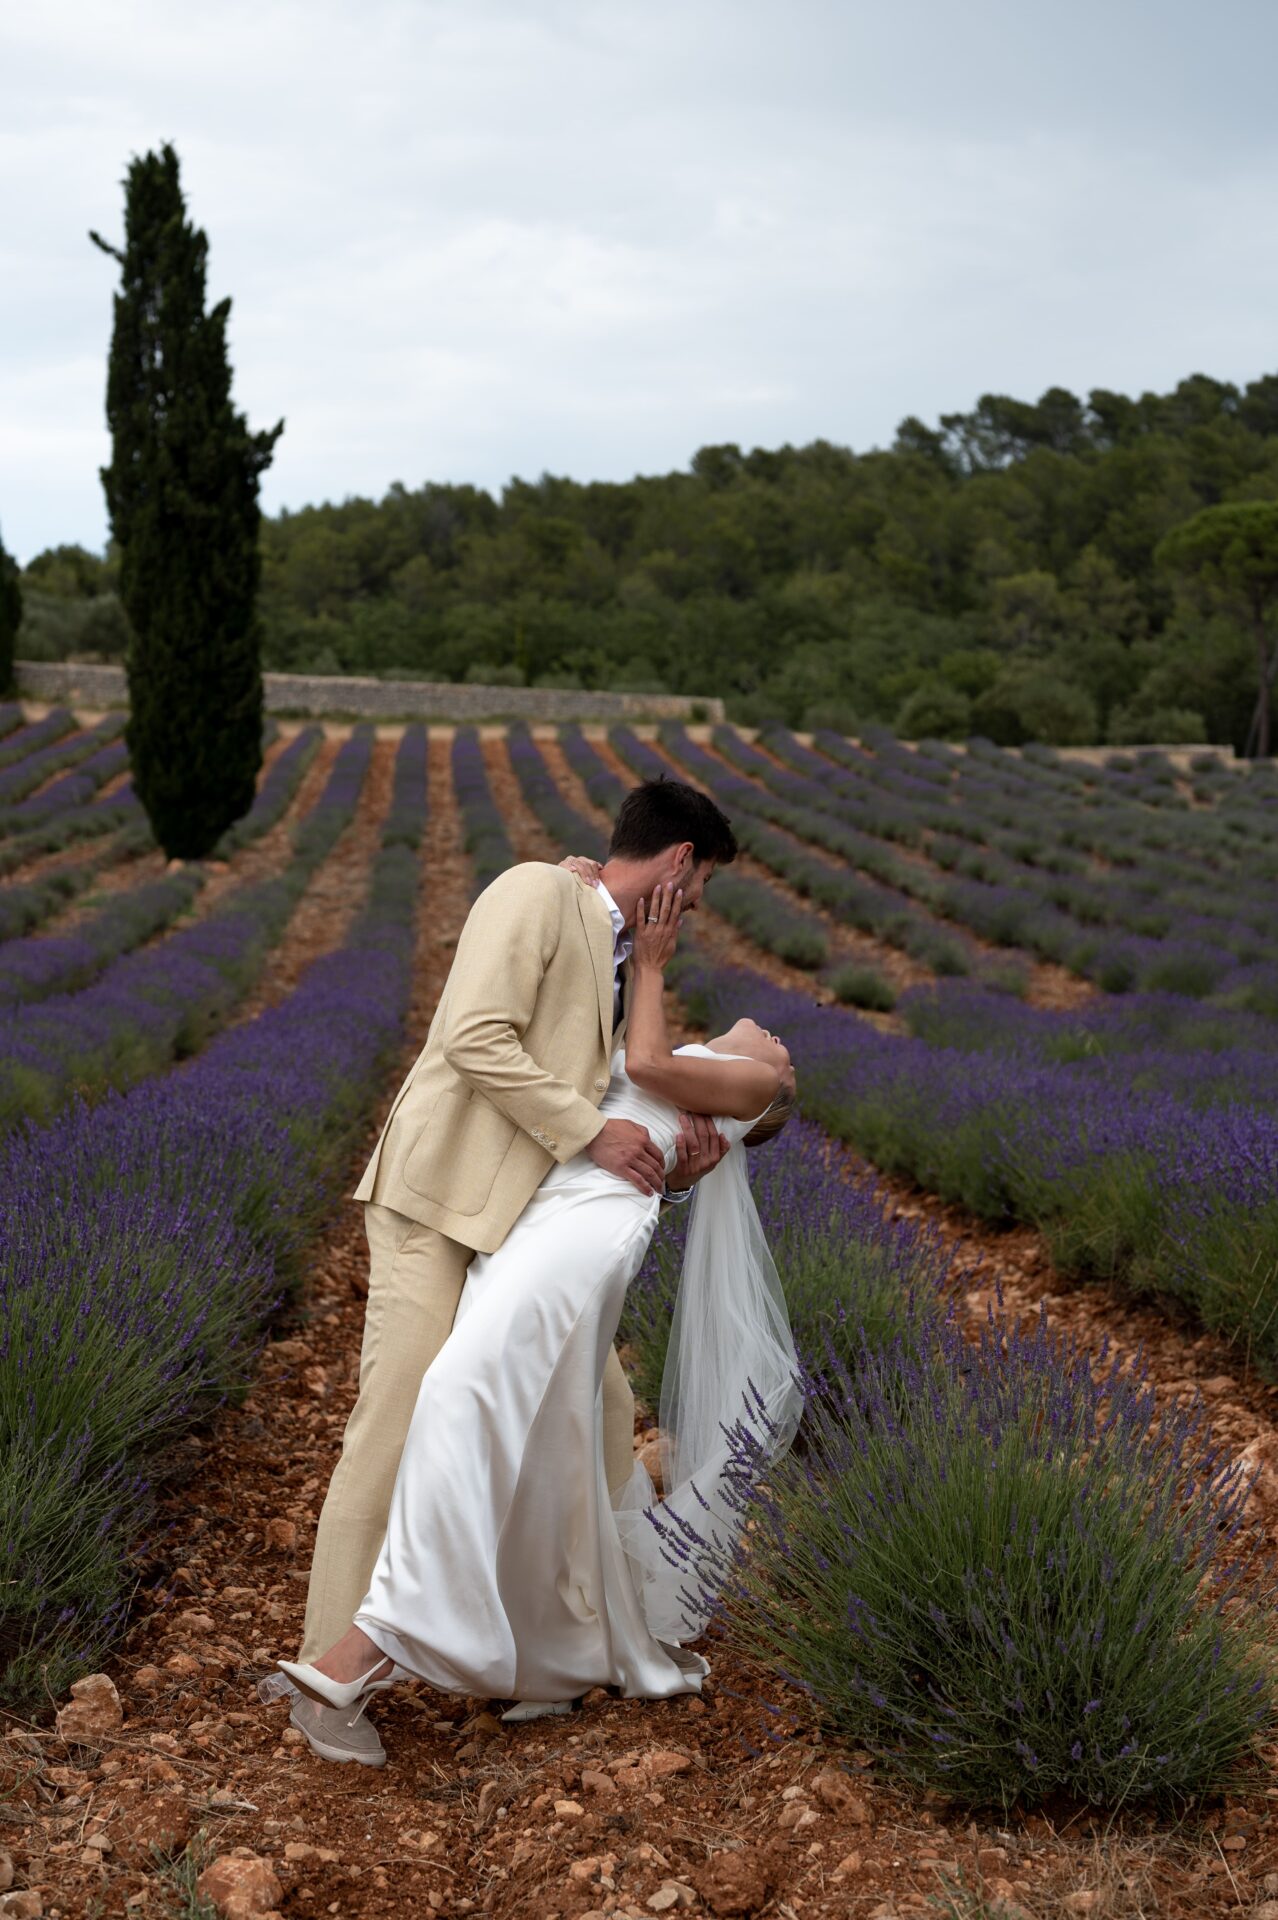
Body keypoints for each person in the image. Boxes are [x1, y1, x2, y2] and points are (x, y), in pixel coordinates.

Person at [278, 877, 801, 1741]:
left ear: (772, 1094)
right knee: (488, 1415)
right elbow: (548, 1068)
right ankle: (462, 1659)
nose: (779, 1036)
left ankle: (433, 1652)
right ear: (675, 857)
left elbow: (639, 1078)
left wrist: (656, 978)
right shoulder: (549, 905)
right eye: (698, 880)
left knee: (522, 1406)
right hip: (499, 1204)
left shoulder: (749, 1074)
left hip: (573, 1225)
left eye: (782, 1054)